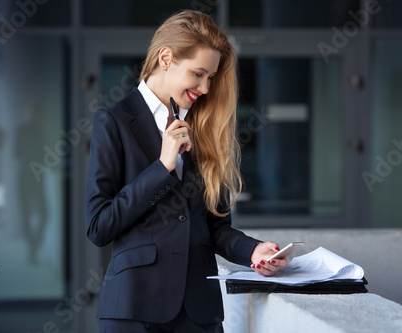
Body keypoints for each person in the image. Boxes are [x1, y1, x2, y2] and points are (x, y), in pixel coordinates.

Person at [85, 10, 287, 333]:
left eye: (211, 78)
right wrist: (162, 168)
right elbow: (99, 226)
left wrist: (253, 250)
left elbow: (216, 228)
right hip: (134, 310)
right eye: (198, 74)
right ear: (166, 58)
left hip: (199, 313)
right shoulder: (114, 122)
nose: (205, 88)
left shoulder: (204, 126)